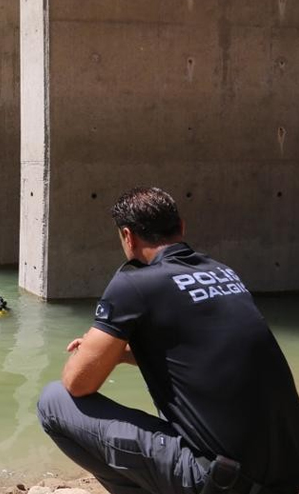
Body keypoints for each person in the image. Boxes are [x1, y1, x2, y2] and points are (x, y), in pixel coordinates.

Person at [37, 187, 299, 494]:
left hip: (220, 483)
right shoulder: (223, 272)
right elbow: (197, 357)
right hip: (284, 474)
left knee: (53, 401)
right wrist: (121, 355)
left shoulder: (132, 283)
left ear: (128, 236)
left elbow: (77, 383)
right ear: (182, 227)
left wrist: (97, 353)